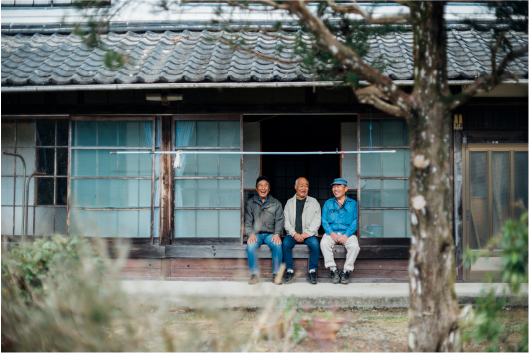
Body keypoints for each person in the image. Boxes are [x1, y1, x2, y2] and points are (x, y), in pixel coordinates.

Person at [244, 176, 284, 285]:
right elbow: (247, 221)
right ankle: (254, 275)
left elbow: (280, 220)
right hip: (256, 234)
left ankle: (276, 274)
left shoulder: (276, 203)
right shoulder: (250, 203)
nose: (263, 188)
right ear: (256, 189)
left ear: (269, 189)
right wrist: (250, 233)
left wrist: (277, 233)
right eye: (260, 186)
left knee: (277, 245)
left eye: (265, 185)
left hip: (270, 234)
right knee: (251, 246)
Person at [282, 177, 321, 284]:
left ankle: (312, 271)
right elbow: (286, 221)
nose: (304, 188)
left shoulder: (314, 202)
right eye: (301, 185)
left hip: (308, 234)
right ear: (295, 187)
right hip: (293, 234)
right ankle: (290, 271)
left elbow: (317, 220)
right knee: (285, 243)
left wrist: (306, 234)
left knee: (315, 244)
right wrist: (294, 234)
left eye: (306, 185)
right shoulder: (289, 203)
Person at [320, 178, 360, 285]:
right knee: (324, 243)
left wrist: (346, 234)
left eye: (338, 186)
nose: (335, 189)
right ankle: (333, 270)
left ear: (346, 188)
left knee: (354, 246)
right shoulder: (328, 203)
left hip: (348, 233)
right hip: (331, 232)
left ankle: (346, 271)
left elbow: (357, 220)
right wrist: (331, 233)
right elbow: (324, 220)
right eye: (334, 186)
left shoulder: (353, 204)